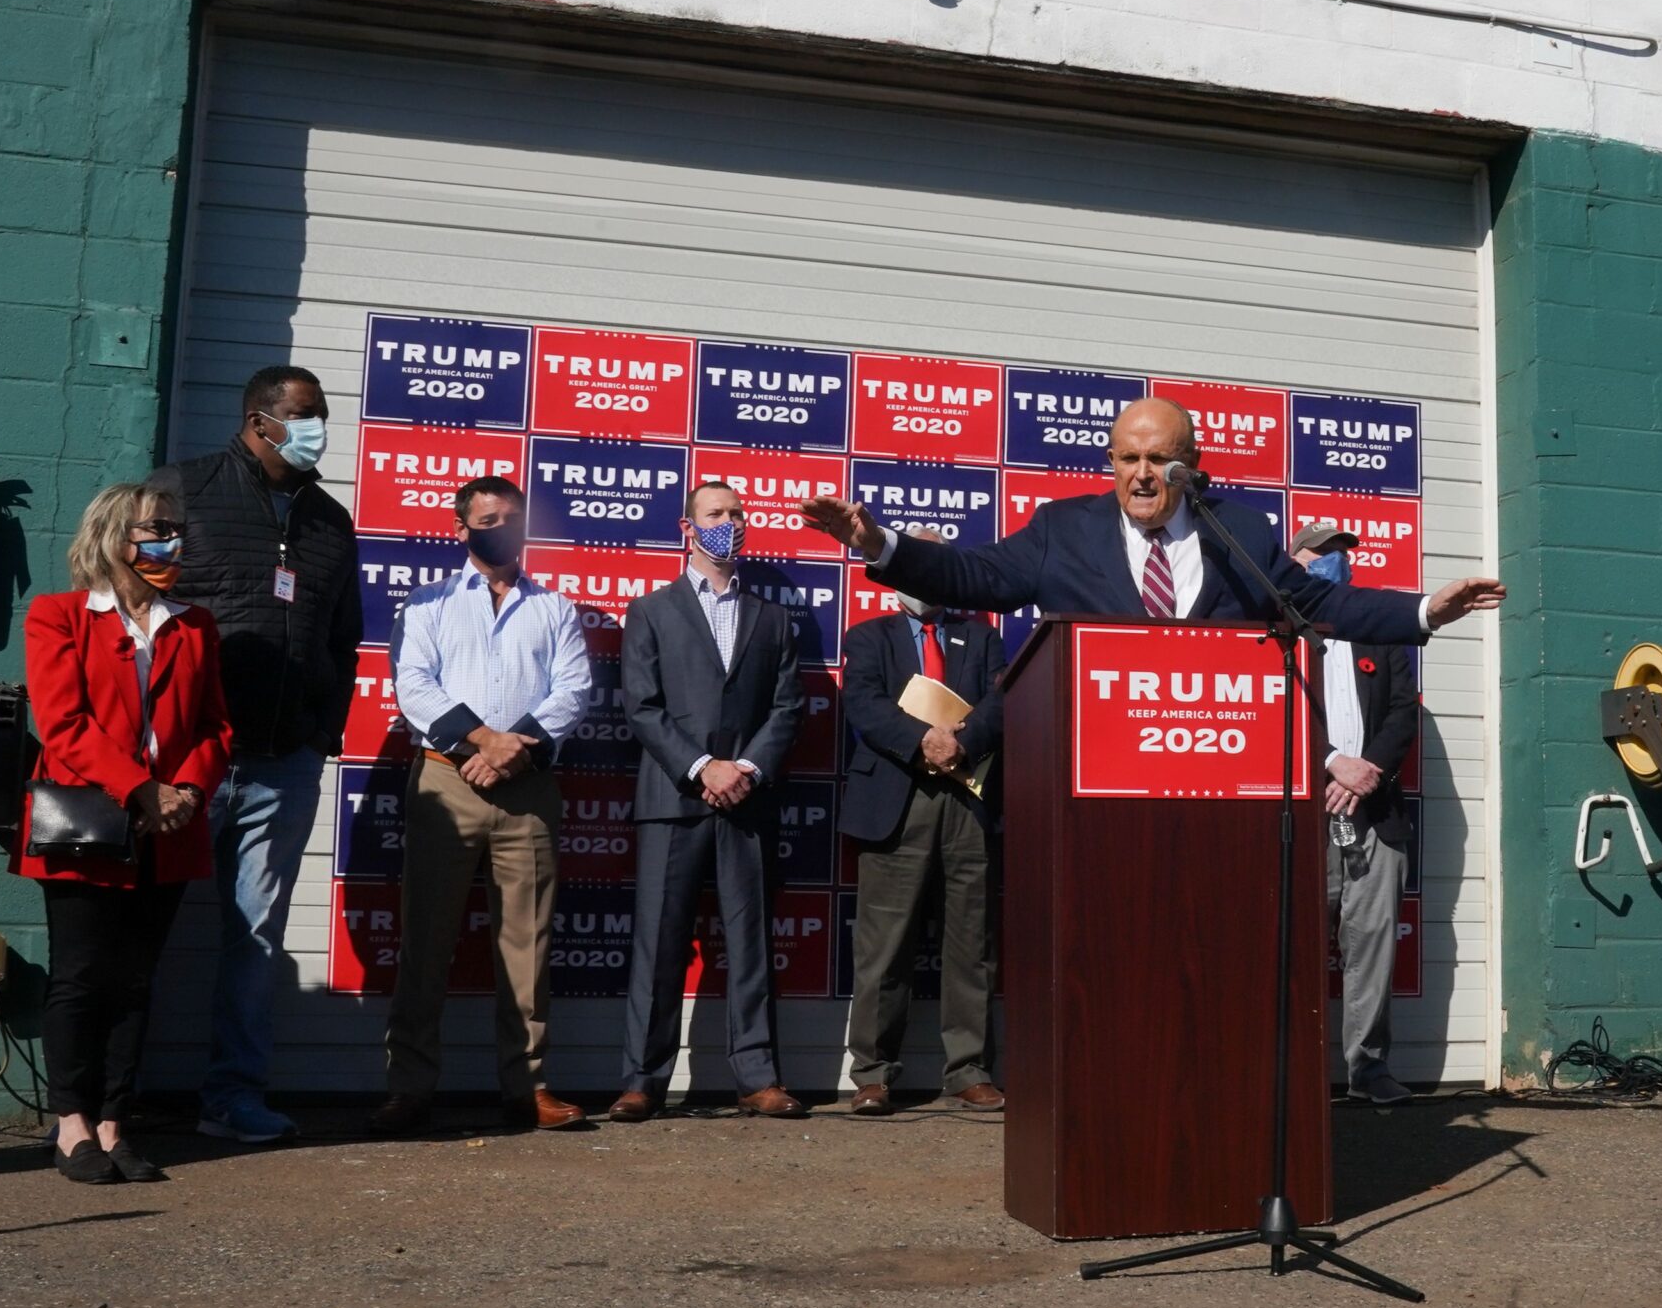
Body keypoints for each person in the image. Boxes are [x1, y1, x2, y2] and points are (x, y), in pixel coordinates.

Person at [802, 398, 1501, 642]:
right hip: (1090, 776)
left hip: (1212, 771)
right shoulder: (1062, 530)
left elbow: (1317, 604)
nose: (1141, 473)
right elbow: (973, 575)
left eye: (1159, 459)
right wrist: (881, 543)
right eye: (1128, 458)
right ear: (1110, 461)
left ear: (1189, 464)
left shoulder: (1240, 531)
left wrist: (1425, 611)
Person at [151, 366, 359, 1145]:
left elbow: (344, 639)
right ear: (258, 420)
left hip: (283, 761)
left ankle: (232, 1096)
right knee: (140, 926)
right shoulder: (183, 489)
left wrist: (321, 730)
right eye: (304, 414)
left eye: (322, 414)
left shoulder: (329, 521)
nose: (317, 429)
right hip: (187, 762)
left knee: (257, 935)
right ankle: (105, 1101)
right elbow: (136, 604)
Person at [17, 483, 233, 1183]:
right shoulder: (58, 616)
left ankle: (114, 1123)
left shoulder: (194, 624)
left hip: (169, 826)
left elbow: (214, 726)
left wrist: (187, 791)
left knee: (136, 980)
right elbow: (63, 724)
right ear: (114, 537)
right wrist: (141, 789)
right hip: (88, 824)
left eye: (175, 526)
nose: (171, 539)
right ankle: (71, 1124)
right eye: (155, 527)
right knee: (81, 977)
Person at [370, 476, 595, 1136]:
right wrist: (483, 740)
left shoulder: (554, 607)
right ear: (460, 528)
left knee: (528, 947)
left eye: (512, 518)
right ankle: (410, 1088)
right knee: (425, 942)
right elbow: (413, 685)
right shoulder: (428, 604)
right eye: (488, 519)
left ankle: (528, 1089)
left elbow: (573, 690)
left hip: (528, 792)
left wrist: (511, 752)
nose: (502, 528)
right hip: (445, 785)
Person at [610, 483, 806, 1122]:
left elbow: (787, 707)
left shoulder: (772, 618)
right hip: (674, 797)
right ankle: (642, 1081)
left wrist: (743, 768)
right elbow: (642, 705)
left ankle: (758, 1078)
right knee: (659, 943)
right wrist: (702, 768)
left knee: (750, 944)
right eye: (715, 514)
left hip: (746, 800)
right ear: (687, 527)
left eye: (737, 513)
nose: (730, 522)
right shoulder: (650, 610)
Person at [837, 535, 1006, 1115]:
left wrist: (962, 742)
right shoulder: (869, 637)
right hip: (896, 800)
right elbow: (864, 704)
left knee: (972, 943)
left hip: (967, 800)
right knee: (883, 947)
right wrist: (923, 740)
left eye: (935, 564)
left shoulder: (983, 638)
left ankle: (969, 1070)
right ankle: (873, 1073)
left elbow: (1001, 703)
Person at [1291, 519, 1421, 1106]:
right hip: (1303, 812)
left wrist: (1366, 773)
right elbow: (1266, 710)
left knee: (1372, 942)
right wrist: (1330, 762)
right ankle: (1293, 1070)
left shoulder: (1378, 630)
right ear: (1296, 560)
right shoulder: (1278, 630)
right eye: (1323, 552)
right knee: (1293, 942)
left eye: (1343, 552)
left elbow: (1402, 713)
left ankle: (1368, 1067)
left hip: (1375, 811)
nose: (1336, 561)